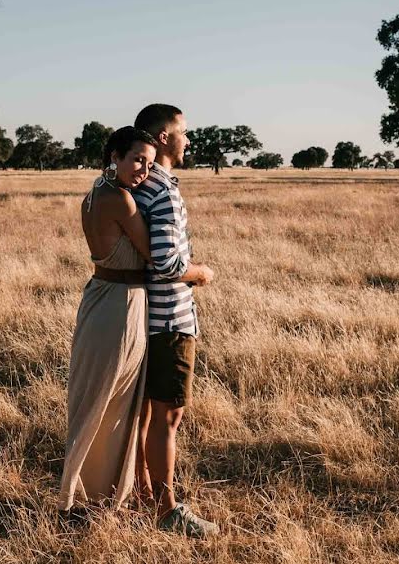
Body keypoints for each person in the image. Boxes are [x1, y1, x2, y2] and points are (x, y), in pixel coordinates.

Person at [58, 126, 159, 512]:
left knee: (94, 398)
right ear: (114, 156)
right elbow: (154, 255)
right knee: (111, 403)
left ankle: (89, 492)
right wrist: (198, 272)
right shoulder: (120, 199)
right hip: (120, 303)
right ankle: (94, 498)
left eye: (149, 165)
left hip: (100, 297)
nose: (143, 171)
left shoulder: (94, 192)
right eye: (137, 160)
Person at [132, 104, 219, 537]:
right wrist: (199, 273)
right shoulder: (163, 191)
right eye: (183, 132)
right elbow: (167, 262)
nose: (188, 140)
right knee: (169, 416)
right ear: (163, 138)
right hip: (170, 319)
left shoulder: (140, 185)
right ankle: (167, 510)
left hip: (145, 318)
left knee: (146, 415)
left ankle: (142, 494)